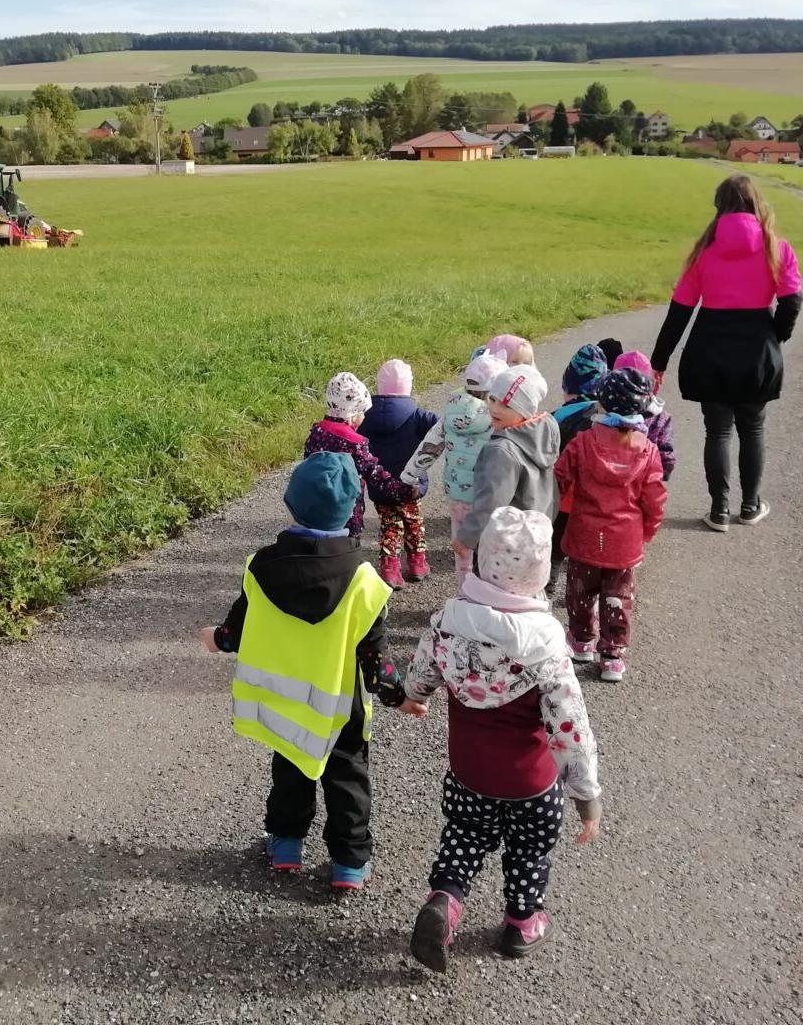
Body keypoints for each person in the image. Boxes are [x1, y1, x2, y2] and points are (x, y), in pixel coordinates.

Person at [200, 452, 427, 891]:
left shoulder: (261, 567)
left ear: (291, 505)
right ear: (350, 512)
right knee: (348, 781)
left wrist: (216, 638)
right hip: (340, 708)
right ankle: (348, 864)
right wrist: (400, 696)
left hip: (285, 704)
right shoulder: (364, 580)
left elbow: (238, 627)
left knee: (290, 768)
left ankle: (286, 844)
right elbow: (375, 660)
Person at [403, 507, 601, 967]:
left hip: (469, 771)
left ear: (480, 560)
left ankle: (445, 901)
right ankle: (521, 922)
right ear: (541, 573)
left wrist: (413, 696)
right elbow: (571, 730)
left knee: (465, 835)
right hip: (532, 784)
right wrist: (586, 797)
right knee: (529, 850)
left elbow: (419, 678)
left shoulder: (447, 625)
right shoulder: (547, 649)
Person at [650, 174, 803, 531]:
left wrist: (659, 362)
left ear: (719, 208)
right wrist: (776, 336)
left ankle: (718, 511)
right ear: (756, 203)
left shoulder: (704, 251)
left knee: (717, 431)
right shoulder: (776, 247)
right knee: (753, 429)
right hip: (757, 352)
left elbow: (679, 312)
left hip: (709, 350)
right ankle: (750, 506)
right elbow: (792, 301)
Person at [554, 369, 667, 682]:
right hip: (624, 541)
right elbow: (655, 499)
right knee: (618, 597)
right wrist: (648, 530)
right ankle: (612, 655)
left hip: (584, 535)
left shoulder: (581, 444)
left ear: (602, 403)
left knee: (579, 592)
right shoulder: (648, 451)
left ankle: (580, 641)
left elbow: (559, 479)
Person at [401, 349, 510, 580]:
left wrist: (410, 474)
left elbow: (430, 445)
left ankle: (464, 593)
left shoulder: (451, 411)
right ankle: (488, 596)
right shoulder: (499, 418)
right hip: (488, 496)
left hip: (458, 496)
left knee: (462, 550)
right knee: (492, 550)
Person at [453, 365, 559, 567]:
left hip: (502, 544)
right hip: (536, 537)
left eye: (506, 405)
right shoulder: (544, 430)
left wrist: (467, 537)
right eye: (492, 399)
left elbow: (491, 502)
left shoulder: (501, 451)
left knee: (492, 593)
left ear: (525, 410)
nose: (494, 408)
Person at [304, 372, 417, 541]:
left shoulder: (317, 432)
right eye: (363, 412)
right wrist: (403, 490)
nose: (364, 416)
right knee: (347, 548)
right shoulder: (354, 442)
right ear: (353, 414)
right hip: (345, 511)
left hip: (316, 505)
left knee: (319, 543)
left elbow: (308, 464)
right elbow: (374, 474)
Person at [361, 360, 439, 588]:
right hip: (410, 485)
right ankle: (417, 564)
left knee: (390, 525)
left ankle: (390, 569)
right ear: (408, 386)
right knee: (414, 523)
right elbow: (443, 427)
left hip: (380, 485)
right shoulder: (418, 416)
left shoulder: (366, 417)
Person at [548, 344, 610, 589]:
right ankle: (584, 589)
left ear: (568, 385)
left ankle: (549, 581)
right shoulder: (608, 417)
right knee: (588, 544)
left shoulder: (557, 417)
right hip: (594, 498)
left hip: (562, 495)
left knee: (556, 540)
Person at [614, 350, 676, 480]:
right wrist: (660, 475)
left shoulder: (607, 411)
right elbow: (667, 456)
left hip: (611, 477)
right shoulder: (660, 417)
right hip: (646, 481)